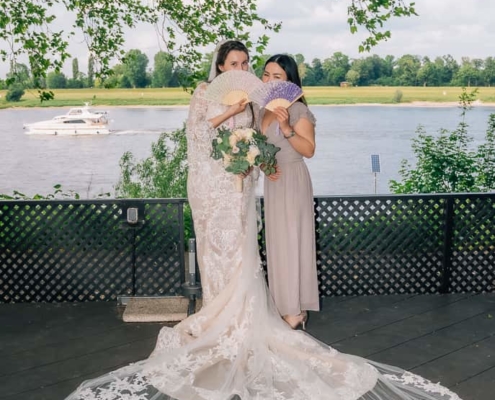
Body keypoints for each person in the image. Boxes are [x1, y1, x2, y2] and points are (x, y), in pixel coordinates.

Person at [65, 42, 463, 400]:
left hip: (241, 184)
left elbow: (259, 143)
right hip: (209, 184)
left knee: (243, 249)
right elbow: (196, 137)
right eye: (232, 62)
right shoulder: (207, 94)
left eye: (245, 62)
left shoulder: (259, 100)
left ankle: (248, 316)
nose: (240, 68)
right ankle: (218, 313)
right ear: (219, 67)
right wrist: (230, 115)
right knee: (215, 248)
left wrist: (252, 164)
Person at [259, 54, 320, 330]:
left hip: (293, 180)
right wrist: (262, 165)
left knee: (293, 241)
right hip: (273, 182)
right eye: (266, 75)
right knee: (277, 243)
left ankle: (296, 310)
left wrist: (286, 128)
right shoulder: (262, 109)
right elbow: (259, 147)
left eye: (278, 76)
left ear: (290, 80)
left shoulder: (297, 111)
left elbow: (309, 150)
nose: (270, 81)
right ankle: (281, 304)